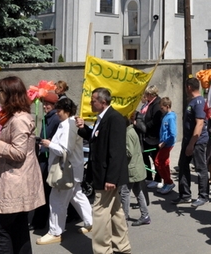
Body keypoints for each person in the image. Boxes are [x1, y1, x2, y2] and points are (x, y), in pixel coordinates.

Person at [0, 76, 45, 254]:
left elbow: (19, 153)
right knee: (18, 228)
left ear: (10, 94)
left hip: (15, 182)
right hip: (16, 180)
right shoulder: (16, 117)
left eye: (0, 91)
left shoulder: (19, 119)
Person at [76, 88, 131, 254]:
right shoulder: (102, 118)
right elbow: (96, 139)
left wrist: (111, 178)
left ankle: (103, 250)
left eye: (93, 100)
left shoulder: (115, 119)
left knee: (99, 213)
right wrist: (83, 128)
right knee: (115, 212)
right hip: (102, 173)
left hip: (107, 175)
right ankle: (122, 246)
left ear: (103, 102)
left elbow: (117, 151)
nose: (90, 103)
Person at [36, 98, 93, 245]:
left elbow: (64, 150)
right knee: (77, 196)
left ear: (66, 111)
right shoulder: (71, 123)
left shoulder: (68, 125)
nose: (57, 113)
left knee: (57, 200)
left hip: (66, 170)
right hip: (73, 169)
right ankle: (90, 222)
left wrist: (49, 144)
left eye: (59, 111)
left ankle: (55, 232)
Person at [172, 78, 209, 208]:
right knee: (183, 166)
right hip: (188, 140)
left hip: (197, 142)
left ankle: (203, 196)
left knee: (200, 168)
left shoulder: (199, 102)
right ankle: (185, 195)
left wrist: (191, 144)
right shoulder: (193, 101)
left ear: (188, 87)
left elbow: (199, 124)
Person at [30, 91, 61, 231]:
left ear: (54, 105)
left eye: (48, 104)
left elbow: (54, 139)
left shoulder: (55, 119)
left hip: (49, 158)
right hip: (44, 156)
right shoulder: (47, 117)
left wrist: (46, 143)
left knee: (44, 190)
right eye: (44, 104)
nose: (44, 106)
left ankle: (40, 221)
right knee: (44, 189)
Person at [121, 117, 151, 226]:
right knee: (137, 190)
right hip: (136, 166)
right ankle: (145, 215)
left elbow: (129, 152)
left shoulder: (127, 133)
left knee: (125, 192)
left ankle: (123, 218)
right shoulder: (131, 130)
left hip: (132, 168)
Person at [136, 85, 163, 188]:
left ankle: (157, 179)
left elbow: (155, 121)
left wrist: (145, 126)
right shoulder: (149, 103)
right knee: (144, 156)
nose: (146, 96)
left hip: (154, 137)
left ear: (152, 94)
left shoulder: (157, 104)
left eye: (147, 94)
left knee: (155, 159)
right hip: (147, 136)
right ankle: (148, 177)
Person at [156, 97, 177, 195]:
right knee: (164, 163)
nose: (161, 110)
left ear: (167, 106)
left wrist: (164, 143)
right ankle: (167, 182)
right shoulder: (166, 116)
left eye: (162, 108)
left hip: (167, 144)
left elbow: (173, 134)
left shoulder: (170, 117)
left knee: (158, 162)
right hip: (165, 143)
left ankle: (169, 182)